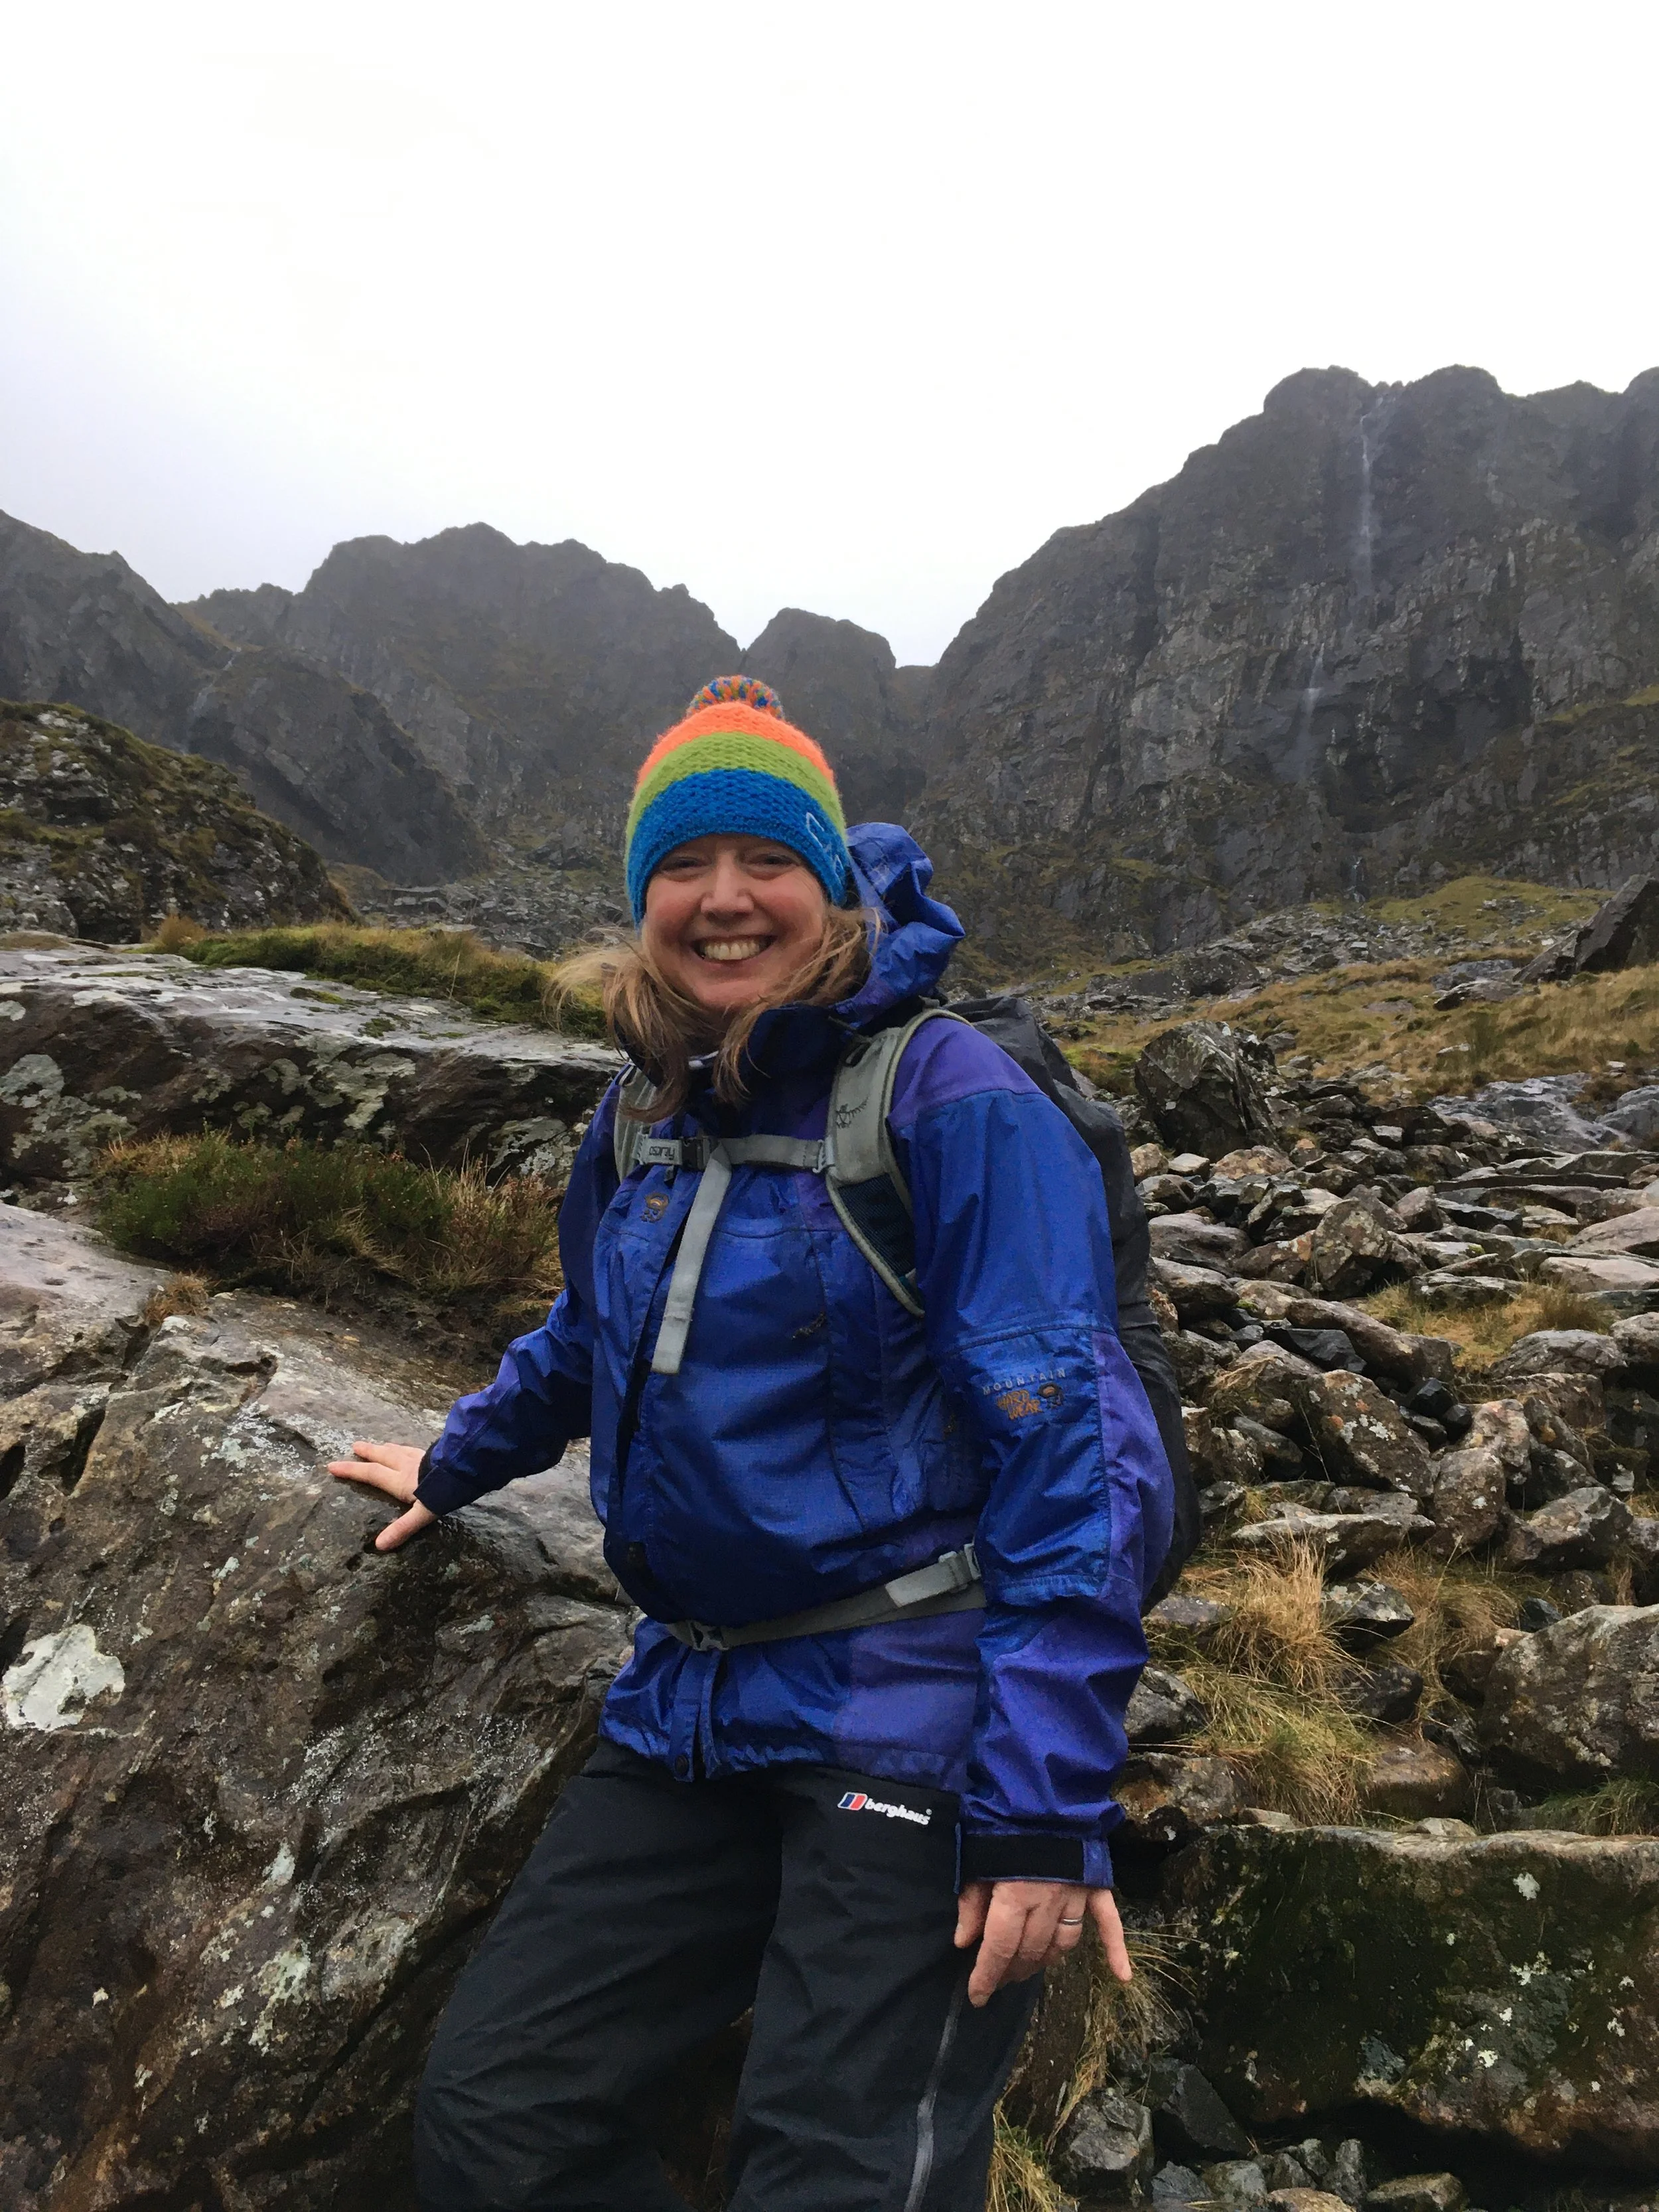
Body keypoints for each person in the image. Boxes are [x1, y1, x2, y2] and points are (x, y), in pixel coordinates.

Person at [332, 676, 1175, 2212]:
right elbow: (589, 1336)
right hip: (696, 1699)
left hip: (911, 1711)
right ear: (640, 894)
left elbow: (1073, 1460)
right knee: (496, 2117)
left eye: (764, 860)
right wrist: (454, 1462)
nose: (722, 900)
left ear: (830, 882)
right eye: (680, 865)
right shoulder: (642, 1109)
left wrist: (1044, 1809)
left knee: (834, 2177)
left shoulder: (952, 1099)